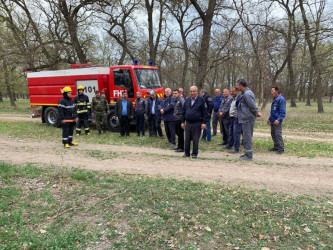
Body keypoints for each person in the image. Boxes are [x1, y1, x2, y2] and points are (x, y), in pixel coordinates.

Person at [236, 79, 262, 160]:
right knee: (246, 136)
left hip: (247, 118)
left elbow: (251, 105)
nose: (237, 87)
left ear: (241, 85)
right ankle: (247, 153)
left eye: (238, 85)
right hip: (245, 117)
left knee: (247, 136)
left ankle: (249, 155)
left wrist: (256, 112)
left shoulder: (247, 94)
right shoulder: (246, 93)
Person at [181, 86, 208, 158]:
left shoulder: (201, 100)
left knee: (196, 139)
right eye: (191, 91)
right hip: (188, 123)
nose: (192, 93)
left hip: (197, 123)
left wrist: (204, 122)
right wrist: (182, 122)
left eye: (194, 91)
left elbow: (204, 113)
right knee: (187, 139)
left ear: (197, 91)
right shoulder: (187, 100)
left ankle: (194, 153)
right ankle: (186, 153)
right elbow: (183, 112)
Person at [267, 87, 286, 154]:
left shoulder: (281, 99)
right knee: (273, 134)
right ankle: (276, 146)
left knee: (278, 134)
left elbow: (283, 112)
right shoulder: (274, 99)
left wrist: (278, 119)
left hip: (277, 121)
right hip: (272, 119)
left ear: (277, 91)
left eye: (273, 91)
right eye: (271, 91)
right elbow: (273, 111)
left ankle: (281, 149)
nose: (271, 92)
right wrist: (269, 118)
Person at [225, 87, 242, 153]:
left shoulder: (239, 98)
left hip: (236, 119)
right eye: (231, 91)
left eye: (233, 91)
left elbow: (242, 107)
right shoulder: (233, 99)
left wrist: (239, 114)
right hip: (231, 118)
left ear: (237, 92)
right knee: (231, 132)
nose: (231, 93)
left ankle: (236, 148)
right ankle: (230, 145)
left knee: (236, 133)